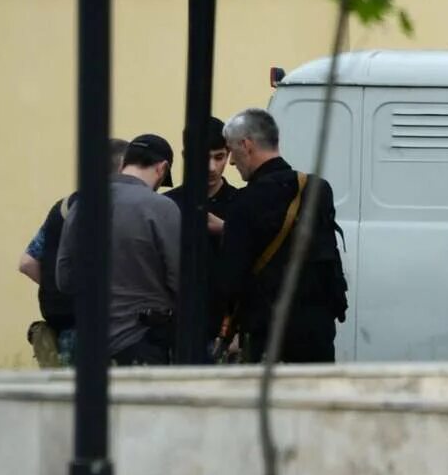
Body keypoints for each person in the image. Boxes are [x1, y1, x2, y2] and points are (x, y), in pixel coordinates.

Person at [216, 108, 348, 364]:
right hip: (317, 330)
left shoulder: (245, 203)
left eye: (231, 151)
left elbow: (232, 278)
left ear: (246, 145)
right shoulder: (318, 189)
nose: (231, 162)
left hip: (269, 332)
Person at [57, 134, 182, 366]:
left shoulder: (82, 204)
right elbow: (180, 280)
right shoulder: (161, 207)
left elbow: (64, 278)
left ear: (125, 162)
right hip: (143, 342)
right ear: (162, 168)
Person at [18, 138, 128, 367]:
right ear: (122, 167)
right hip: (105, 331)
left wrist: (62, 288)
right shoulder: (121, 208)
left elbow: (27, 262)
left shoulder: (64, 207)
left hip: (60, 329)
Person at [165, 117, 243, 348]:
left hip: (226, 329)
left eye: (219, 157)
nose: (210, 167)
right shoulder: (167, 205)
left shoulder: (243, 204)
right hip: (174, 327)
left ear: (229, 155)